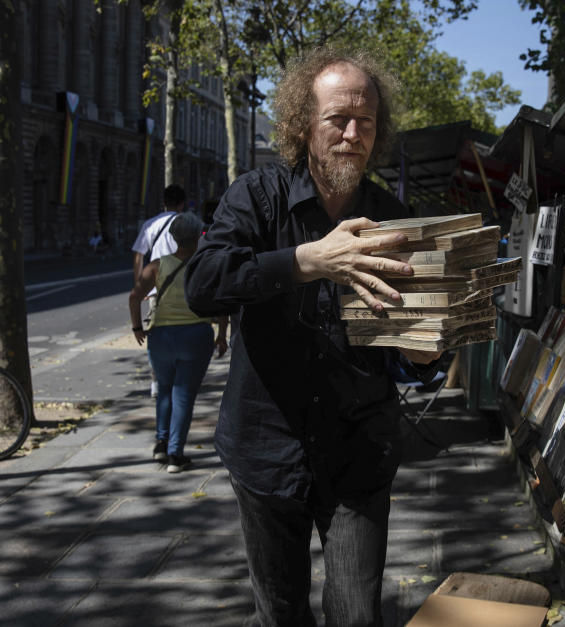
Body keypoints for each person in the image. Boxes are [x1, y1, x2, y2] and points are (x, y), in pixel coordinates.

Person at [184, 46, 441, 626]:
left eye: (366, 122)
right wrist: (306, 259)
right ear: (304, 124)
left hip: (359, 454)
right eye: (338, 120)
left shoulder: (394, 216)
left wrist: (423, 355)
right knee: (280, 613)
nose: (353, 134)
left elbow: (413, 344)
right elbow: (202, 285)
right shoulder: (257, 195)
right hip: (266, 451)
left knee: (355, 616)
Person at [129, 212, 228, 473]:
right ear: (198, 236)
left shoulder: (156, 266)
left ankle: (160, 444)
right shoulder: (206, 265)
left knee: (164, 390)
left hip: (161, 336)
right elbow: (220, 302)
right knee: (183, 395)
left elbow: (134, 296)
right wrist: (222, 334)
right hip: (196, 335)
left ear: (173, 237)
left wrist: (137, 327)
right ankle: (175, 454)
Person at [132, 184, 187, 397]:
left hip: (157, 289)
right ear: (182, 204)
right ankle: (180, 378)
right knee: (184, 332)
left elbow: (138, 256)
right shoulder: (187, 224)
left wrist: (140, 284)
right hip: (183, 288)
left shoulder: (150, 224)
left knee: (157, 334)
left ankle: (157, 380)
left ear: (164, 203)